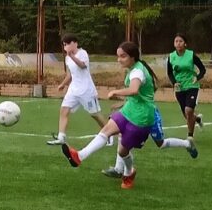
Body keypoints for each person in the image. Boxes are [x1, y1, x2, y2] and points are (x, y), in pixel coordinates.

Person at [60, 41, 158, 190]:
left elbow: (134, 90)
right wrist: (123, 103)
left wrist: (115, 92)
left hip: (141, 117)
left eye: (123, 56)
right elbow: (139, 94)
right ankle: (79, 156)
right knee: (106, 130)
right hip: (129, 110)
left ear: (132, 57)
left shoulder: (137, 71)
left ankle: (129, 172)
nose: (119, 60)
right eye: (118, 56)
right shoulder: (133, 69)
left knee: (123, 152)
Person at [47, 33, 110, 146]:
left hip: (86, 90)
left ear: (74, 43)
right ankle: (61, 137)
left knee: (95, 114)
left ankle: (109, 134)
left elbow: (82, 65)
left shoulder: (82, 53)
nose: (65, 46)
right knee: (64, 110)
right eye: (64, 44)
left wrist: (72, 56)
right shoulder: (67, 58)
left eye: (67, 44)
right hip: (73, 90)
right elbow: (69, 74)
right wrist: (63, 84)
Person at [101, 105, 198, 178]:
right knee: (123, 132)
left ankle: (187, 144)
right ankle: (118, 169)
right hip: (137, 114)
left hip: (150, 115)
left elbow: (136, 94)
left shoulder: (142, 83)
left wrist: (119, 96)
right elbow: (131, 98)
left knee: (161, 144)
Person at [167, 33, 206, 139]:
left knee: (189, 110)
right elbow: (169, 72)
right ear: (174, 44)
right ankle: (197, 119)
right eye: (176, 41)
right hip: (179, 88)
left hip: (192, 86)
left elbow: (202, 69)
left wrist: (197, 77)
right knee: (187, 115)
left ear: (185, 44)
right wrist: (174, 82)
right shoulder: (171, 57)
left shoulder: (191, 55)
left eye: (180, 41)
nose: (178, 43)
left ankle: (190, 137)